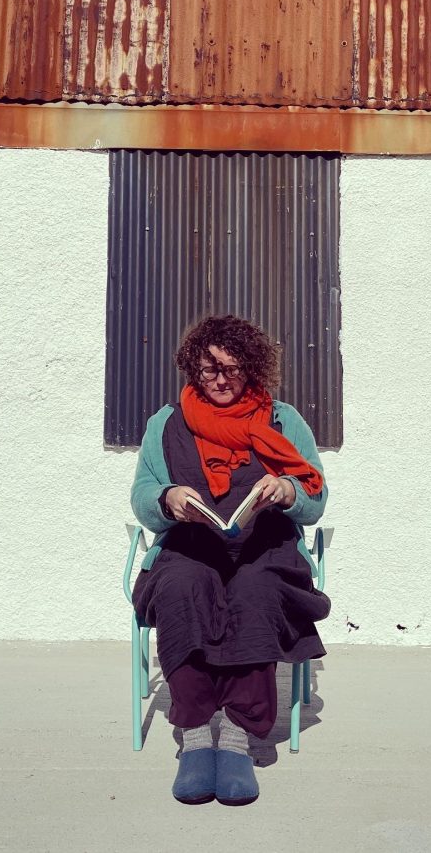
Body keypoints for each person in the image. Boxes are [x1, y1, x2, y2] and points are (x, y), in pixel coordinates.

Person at [130, 314, 330, 806]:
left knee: (255, 593)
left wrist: (287, 489)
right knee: (181, 589)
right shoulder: (166, 423)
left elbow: (315, 494)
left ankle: (239, 739)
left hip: (266, 545)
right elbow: (141, 494)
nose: (220, 380)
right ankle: (197, 735)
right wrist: (167, 497)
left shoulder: (283, 421)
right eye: (208, 369)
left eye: (232, 369)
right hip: (191, 544)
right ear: (192, 369)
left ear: (253, 369)